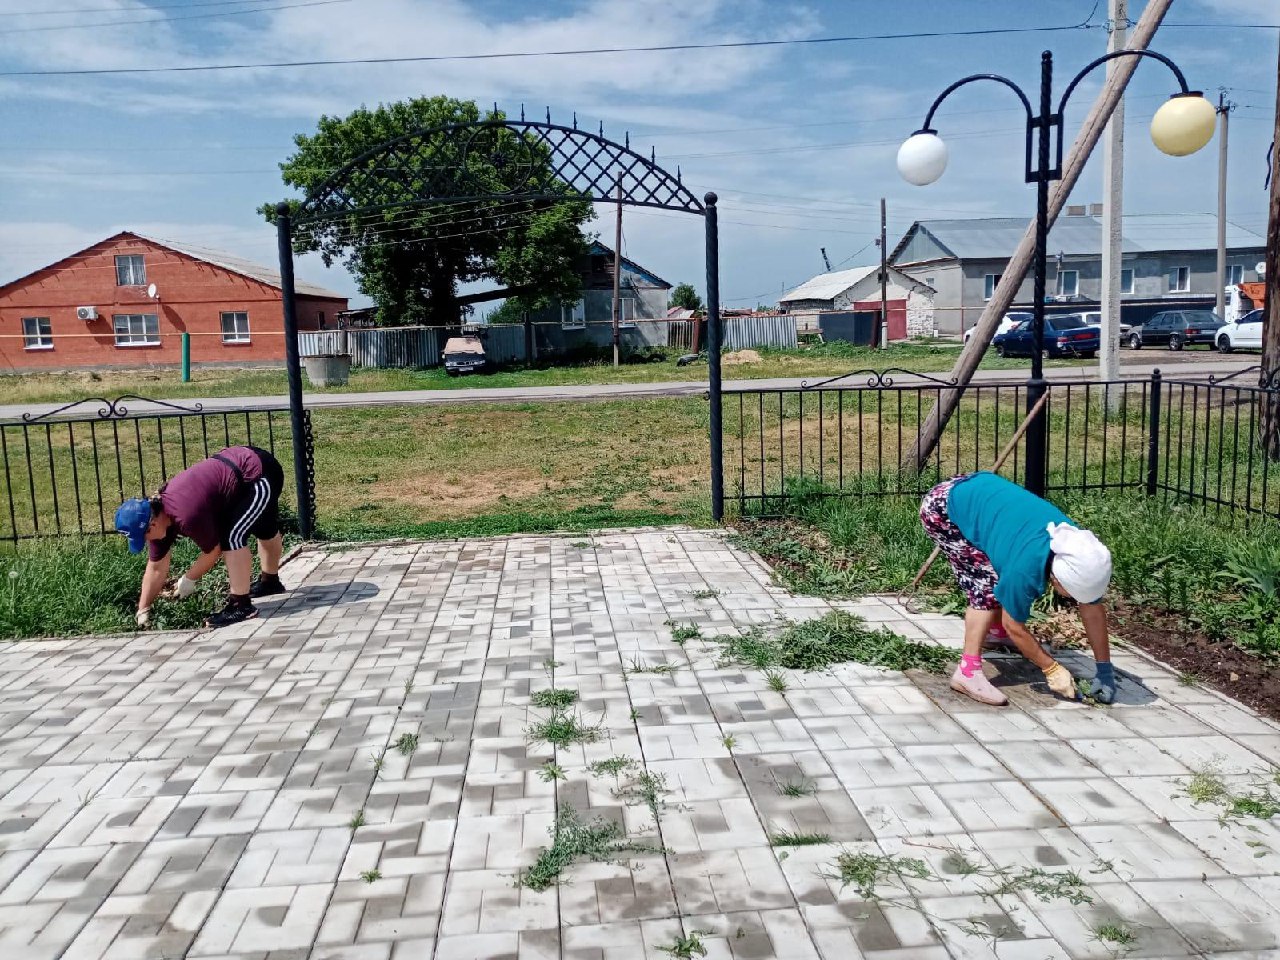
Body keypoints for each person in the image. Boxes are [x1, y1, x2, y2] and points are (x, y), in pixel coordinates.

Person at [919, 471, 1115, 707]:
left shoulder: (1078, 550)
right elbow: (1015, 625)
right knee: (987, 587)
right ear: (1057, 579)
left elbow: (1092, 606)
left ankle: (993, 633)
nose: (1076, 601)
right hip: (944, 508)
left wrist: (1104, 669)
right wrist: (1051, 668)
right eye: (1073, 596)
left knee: (998, 575)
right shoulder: (1025, 567)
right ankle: (968, 672)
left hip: (982, 494)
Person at [114, 445, 288, 629]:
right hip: (242, 473)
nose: (148, 542)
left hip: (257, 474)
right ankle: (270, 583)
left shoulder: (186, 515)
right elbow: (156, 568)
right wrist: (143, 608)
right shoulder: (159, 519)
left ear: (152, 525)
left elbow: (214, 550)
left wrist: (189, 579)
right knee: (263, 526)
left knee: (232, 537)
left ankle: (241, 606)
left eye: (144, 537)